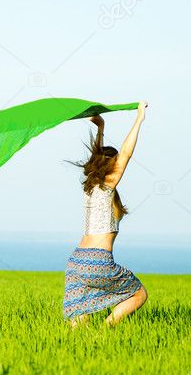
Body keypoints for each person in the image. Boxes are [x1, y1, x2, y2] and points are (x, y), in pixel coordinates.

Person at [63, 101, 148, 326]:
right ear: (111, 168)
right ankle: (106, 329)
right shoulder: (107, 186)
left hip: (75, 262)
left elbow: (96, 158)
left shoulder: (90, 188)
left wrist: (101, 127)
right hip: (97, 260)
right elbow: (126, 155)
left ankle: (77, 350)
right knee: (139, 294)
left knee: (79, 326)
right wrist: (139, 118)